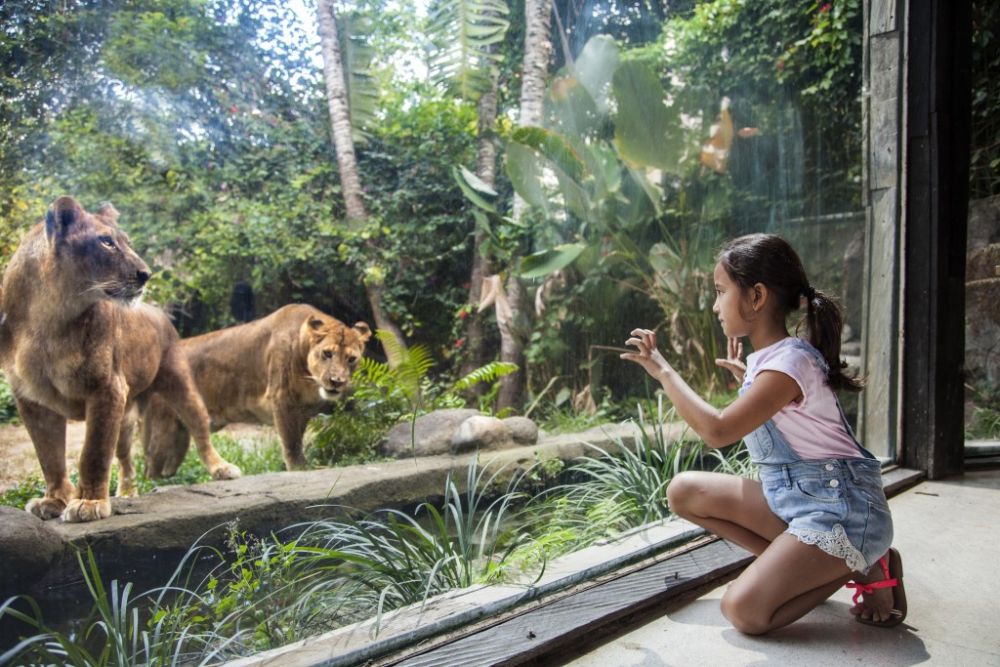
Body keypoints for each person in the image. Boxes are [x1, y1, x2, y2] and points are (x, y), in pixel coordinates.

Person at [621, 233, 906, 635]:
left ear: (756, 297)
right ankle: (822, 565)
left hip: (843, 510)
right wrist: (748, 385)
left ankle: (863, 564)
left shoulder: (788, 362)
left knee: (744, 611)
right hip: (796, 502)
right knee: (683, 491)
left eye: (721, 292)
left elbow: (718, 432)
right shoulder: (770, 362)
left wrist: (664, 372)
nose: (715, 305)